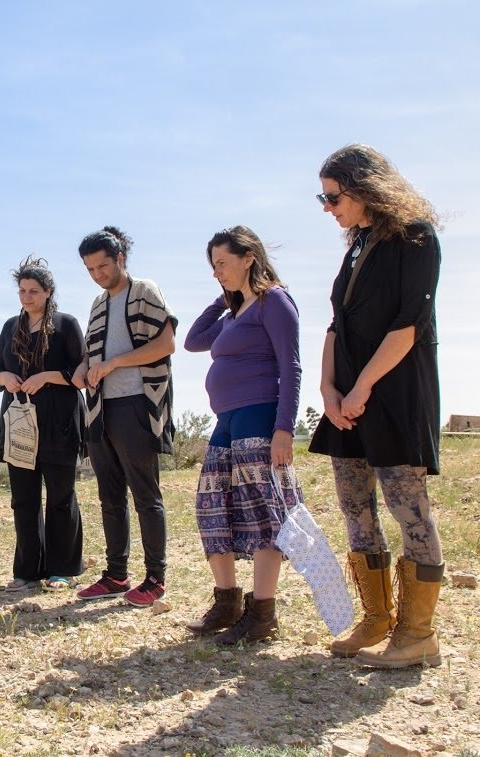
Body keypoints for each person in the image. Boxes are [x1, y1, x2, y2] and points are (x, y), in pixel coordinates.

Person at [309, 144, 445, 668]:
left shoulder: (415, 236)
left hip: (394, 394)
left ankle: (418, 635)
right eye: (322, 198)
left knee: (409, 510)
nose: (328, 208)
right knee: (354, 508)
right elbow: (335, 325)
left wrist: (362, 387)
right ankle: (377, 618)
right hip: (346, 399)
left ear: (366, 188)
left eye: (333, 196)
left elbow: (409, 325)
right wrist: (328, 391)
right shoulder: (357, 244)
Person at [183, 226, 303, 645]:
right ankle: (227, 601)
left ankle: (262, 613)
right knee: (212, 507)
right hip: (226, 421)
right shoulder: (236, 312)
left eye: (223, 263)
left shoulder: (274, 302)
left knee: (262, 512)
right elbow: (193, 341)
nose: (217, 272)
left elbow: (291, 368)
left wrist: (284, 428)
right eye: (213, 265)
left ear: (248, 257)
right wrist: (224, 297)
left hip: (258, 417)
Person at [71, 226, 177, 608]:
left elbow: (166, 345)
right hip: (100, 409)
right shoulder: (98, 305)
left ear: (120, 259)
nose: (98, 274)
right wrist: (82, 370)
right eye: (90, 269)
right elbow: (90, 354)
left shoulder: (144, 290)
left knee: (146, 495)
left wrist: (115, 364)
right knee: (109, 496)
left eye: (103, 265)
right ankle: (116, 574)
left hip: (138, 404)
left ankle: (155, 579)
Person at [0, 256, 85, 592]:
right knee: (23, 499)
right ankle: (27, 571)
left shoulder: (67, 324)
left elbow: (81, 376)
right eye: (22, 291)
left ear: (47, 292)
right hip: (19, 427)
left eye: (33, 291)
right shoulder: (9, 327)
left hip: (59, 424)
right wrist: (5, 377)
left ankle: (61, 570)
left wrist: (46, 376)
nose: (26, 297)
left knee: (61, 497)